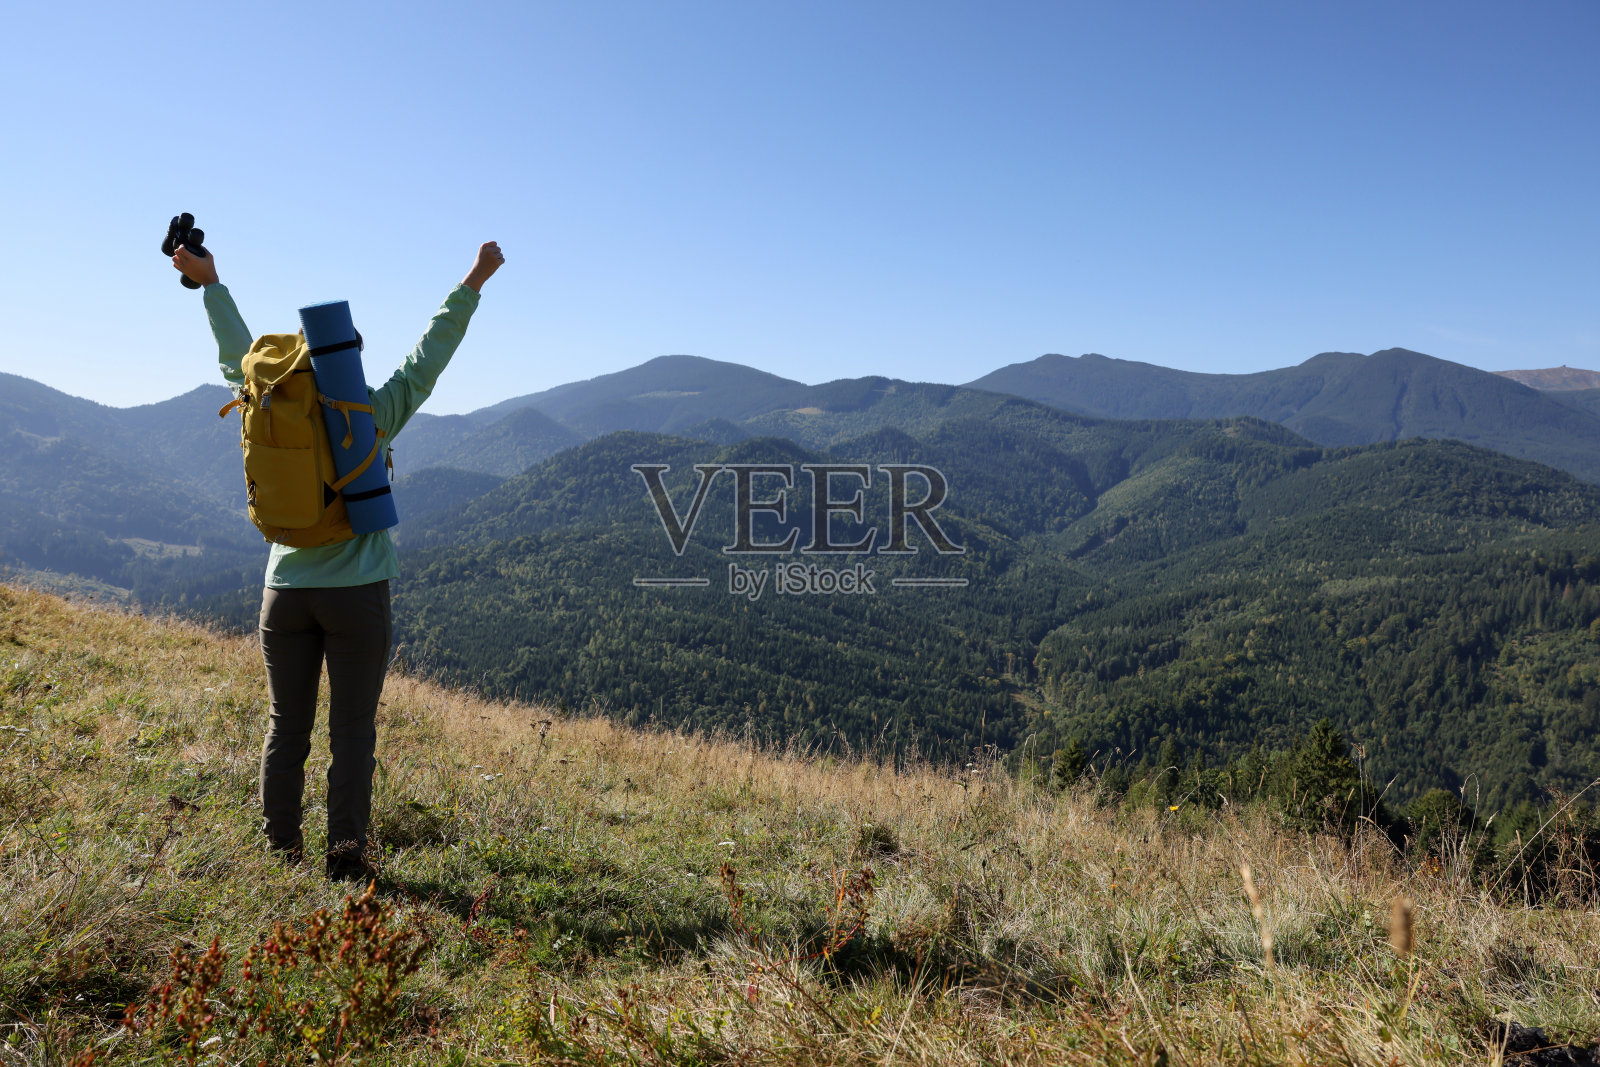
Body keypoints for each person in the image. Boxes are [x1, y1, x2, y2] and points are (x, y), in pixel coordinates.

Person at [171, 239, 505, 879]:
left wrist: (211, 283)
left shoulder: (262, 400)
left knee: (285, 726)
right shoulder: (370, 413)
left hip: (283, 590)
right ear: (347, 358)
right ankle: (347, 857)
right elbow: (428, 357)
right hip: (357, 592)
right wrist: (474, 280)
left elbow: (234, 353)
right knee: (352, 730)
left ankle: (279, 851)